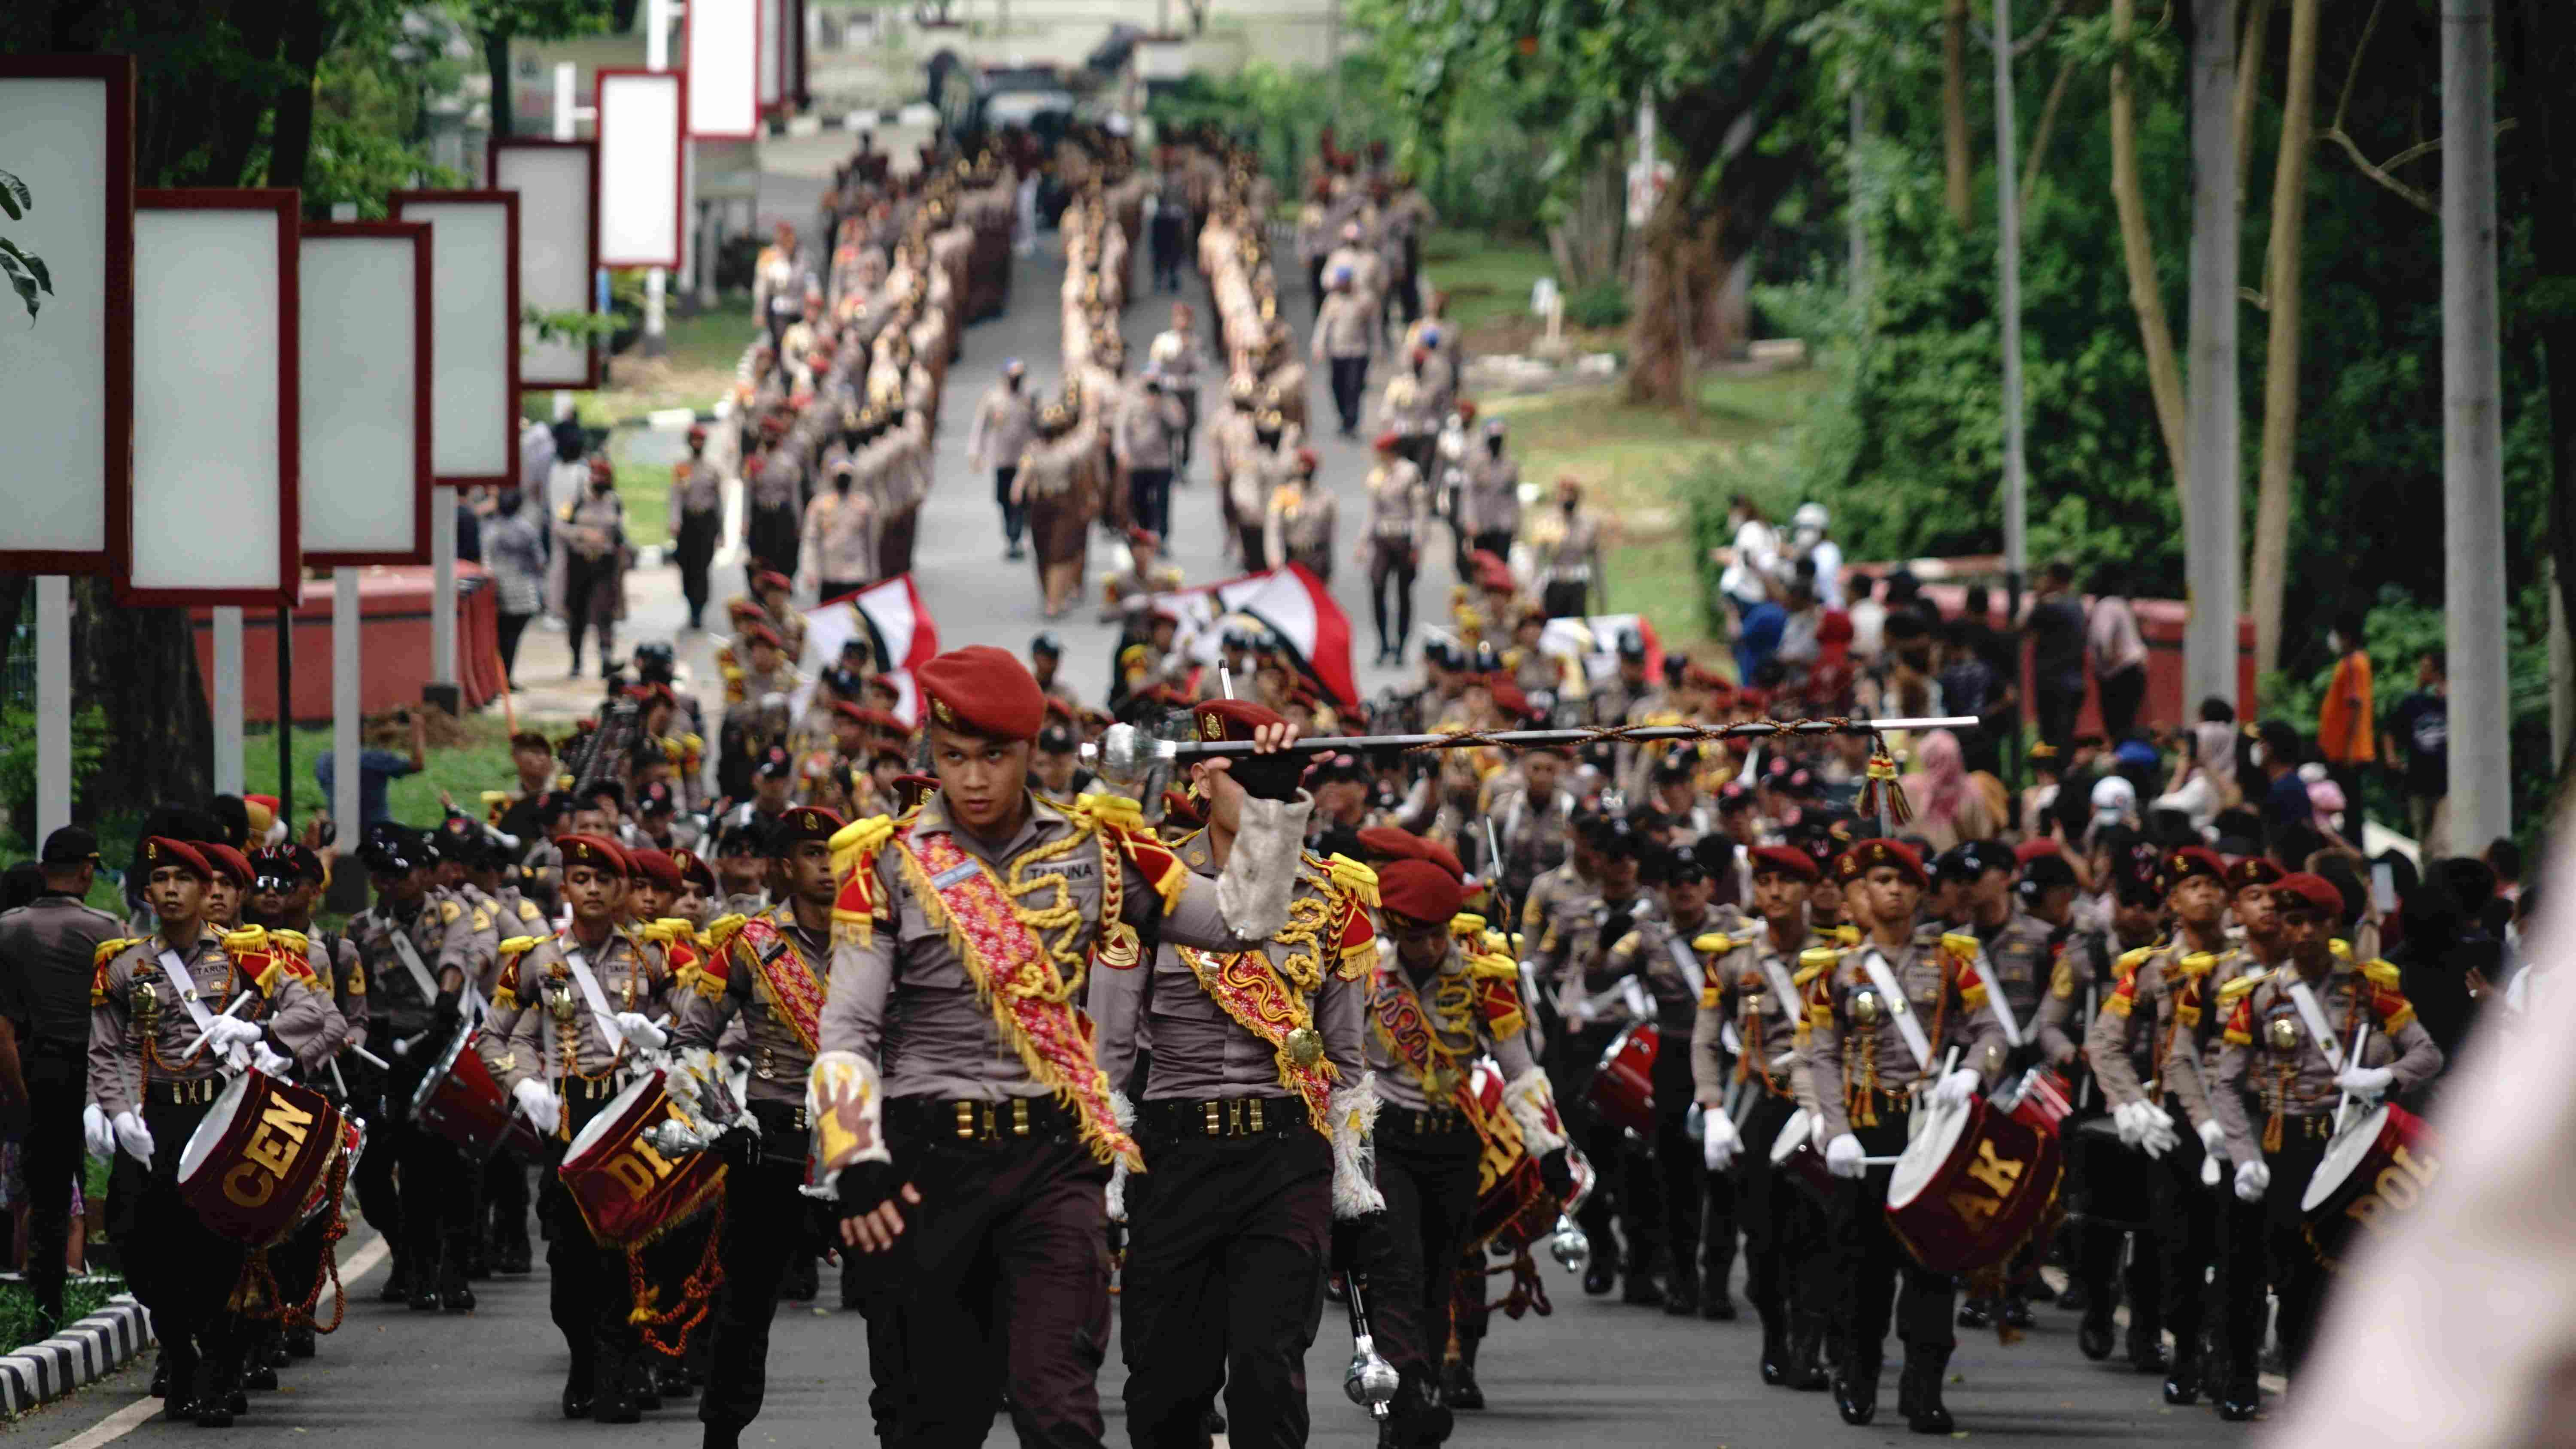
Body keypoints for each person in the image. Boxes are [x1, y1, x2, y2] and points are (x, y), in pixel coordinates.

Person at [807, 645, 1314, 1447]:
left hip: (1050, 1163)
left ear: (1033, 750)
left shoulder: (1103, 847)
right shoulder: (885, 864)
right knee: (934, 1420)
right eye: (954, 759)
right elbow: (850, 1026)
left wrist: (1272, 810)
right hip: (925, 1162)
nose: (973, 781)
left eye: (995, 757)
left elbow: (1242, 925)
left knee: (1058, 1408)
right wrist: (853, 1155)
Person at [1089, 699, 1385, 1449]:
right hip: (1174, 1150)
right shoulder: (1146, 882)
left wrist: (1354, 1188)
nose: (1254, 789)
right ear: (1197, 777)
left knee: (1267, 1371)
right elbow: (1111, 1049)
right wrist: (1098, 1173)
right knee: (1165, 1383)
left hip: (1284, 1153)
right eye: (1238, 774)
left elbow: (1348, 1065)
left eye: (1268, 776)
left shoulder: (1334, 897)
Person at [90, 837, 336, 1424]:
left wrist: (264, 1037)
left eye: (184, 879)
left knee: (221, 1248)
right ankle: (177, 1349)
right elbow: (110, 1050)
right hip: (153, 1119)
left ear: (208, 892)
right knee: (139, 1242)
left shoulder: (249, 956)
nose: (171, 890)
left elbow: (317, 1015)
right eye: (161, 880)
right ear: (147, 893)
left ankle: (219, 1370)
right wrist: (119, 1112)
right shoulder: (124, 965)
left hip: (223, 1116)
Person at [1358, 845, 1567, 1448]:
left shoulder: (1485, 976)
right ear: (1396, 930)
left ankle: (1411, 1393)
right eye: (1414, 937)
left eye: (1437, 935)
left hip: (1455, 1142)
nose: (1427, 949)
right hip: (1389, 1140)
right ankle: (1413, 1382)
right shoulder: (1363, 973)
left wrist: (1548, 1146)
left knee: (1437, 1274)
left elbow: (1519, 1066)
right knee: (1397, 1267)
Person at [2209, 873, 2441, 1393]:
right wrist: (2244, 1156)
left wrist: (2385, 1077)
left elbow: (2427, 1052)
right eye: (2295, 921)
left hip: (2350, 1146)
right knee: (2291, 1279)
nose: (2307, 932)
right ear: (2283, 928)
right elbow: (2224, 1083)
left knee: (2355, 1277)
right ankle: (2303, 1389)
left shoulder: (2370, 986)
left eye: (2317, 921)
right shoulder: (2261, 997)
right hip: (2286, 1146)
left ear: (2336, 925)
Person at [1804, 839, 2006, 1433]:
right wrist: (1834, 1131)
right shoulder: (1833, 970)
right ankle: (1859, 1375)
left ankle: (1924, 1389)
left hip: (1930, 1126)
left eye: (1903, 881)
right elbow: (1819, 1055)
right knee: (1862, 1266)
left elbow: (1991, 1027)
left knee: (1933, 1262)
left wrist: (1972, 1070)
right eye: (1881, 880)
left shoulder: (1951, 961)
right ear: (1861, 893)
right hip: (1867, 1129)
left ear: (1920, 893)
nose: (1892, 890)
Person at [478, 834, 673, 1423]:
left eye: (603, 881)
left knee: (629, 1250)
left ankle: (618, 1369)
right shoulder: (536, 959)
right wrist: (524, 1085)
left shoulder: (652, 958)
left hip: (631, 1118)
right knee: (568, 1256)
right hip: (565, 1117)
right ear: (565, 888)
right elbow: (495, 1037)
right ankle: (584, 1358)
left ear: (622, 891)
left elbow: (694, 1028)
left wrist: (660, 1040)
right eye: (580, 880)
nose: (591, 890)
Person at [1694, 846, 1833, 1385]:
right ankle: (1776, 1334)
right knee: (1765, 1236)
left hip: (1822, 1106)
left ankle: (1809, 1345)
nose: (1775, 892)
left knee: (1819, 1233)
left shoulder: (1838, 954)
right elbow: (1707, 1041)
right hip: (1763, 1104)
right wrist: (1712, 1110)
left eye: (1788, 883)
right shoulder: (1732, 958)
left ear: (1808, 891)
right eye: (1766, 882)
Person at [346, 825, 487, 1313]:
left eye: (398, 873)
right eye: (378, 875)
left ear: (424, 874)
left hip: (444, 1041)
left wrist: (448, 998)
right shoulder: (362, 928)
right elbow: (356, 990)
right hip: (390, 1052)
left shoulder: (452, 912)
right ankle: (413, 1259)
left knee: (457, 1163)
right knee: (399, 1163)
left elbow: (457, 954)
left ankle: (456, 1270)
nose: (387, 883)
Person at [0, 827, 112, 1335]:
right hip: (99, 1074)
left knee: (44, 1197)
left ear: (44, 869)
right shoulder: (108, 929)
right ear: (87, 871)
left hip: (31, 1070)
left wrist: (20, 1094)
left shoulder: (9, 929)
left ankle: (47, 1309)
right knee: (121, 1180)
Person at [1358, 432, 1432, 667]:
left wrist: (1418, 544)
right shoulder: (1377, 476)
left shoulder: (1410, 473)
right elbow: (1372, 512)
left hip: (1404, 536)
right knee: (1377, 587)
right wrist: (1363, 541)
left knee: (1403, 593)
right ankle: (1382, 644)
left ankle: (1401, 645)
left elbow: (1420, 511)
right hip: (1382, 537)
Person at [556, 455, 629, 678]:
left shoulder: (615, 503)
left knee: (604, 613)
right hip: (580, 564)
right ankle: (576, 661)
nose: (598, 479)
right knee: (577, 614)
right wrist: (583, 534)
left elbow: (621, 535)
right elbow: (560, 527)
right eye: (595, 475)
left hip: (605, 565)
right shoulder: (577, 501)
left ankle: (606, 660)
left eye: (602, 476)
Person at [2382, 651, 2448, 858]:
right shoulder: (2413, 702)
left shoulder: (2455, 702)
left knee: (2443, 839)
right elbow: (2390, 730)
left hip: (2447, 785)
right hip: (2418, 783)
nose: (2421, 674)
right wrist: (2391, 756)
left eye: (2425, 670)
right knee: (2424, 840)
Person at [969, 360, 1037, 561]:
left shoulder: (1028, 400)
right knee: (1004, 500)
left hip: (1024, 459)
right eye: (1013, 377)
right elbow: (980, 426)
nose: (1017, 381)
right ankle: (1011, 537)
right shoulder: (993, 399)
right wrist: (975, 453)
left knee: (1023, 499)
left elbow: (1037, 427)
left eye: (1020, 378)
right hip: (1002, 458)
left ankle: (1018, 536)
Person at [315, 706, 427, 828]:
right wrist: (417, 728)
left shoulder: (324, 760)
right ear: (362, 731)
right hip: (375, 832)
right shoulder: (373, 759)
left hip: (339, 830)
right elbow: (418, 764)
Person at [484, 490, 547, 687]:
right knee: (512, 638)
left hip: (496, 589)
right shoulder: (526, 530)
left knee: (500, 637)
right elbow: (540, 561)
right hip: (523, 592)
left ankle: (497, 679)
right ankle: (505, 678)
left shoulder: (490, 529)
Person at [1114, 370, 1186, 540]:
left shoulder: (1170, 402)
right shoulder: (1131, 402)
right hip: (1138, 462)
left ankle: (1162, 536)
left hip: (1162, 462)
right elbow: (1121, 428)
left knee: (1162, 502)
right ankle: (1144, 533)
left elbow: (1180, 424)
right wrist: (1122, 451)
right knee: (1140, 501)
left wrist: (1161, 408)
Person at [2024, 562, 2087, 748]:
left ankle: (2053, 775)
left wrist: (2037, 596)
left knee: (2051, 742)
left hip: (2052, 686)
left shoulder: (2047, 607)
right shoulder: (2077, 606)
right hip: (2075, 684)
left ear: (2051, 579)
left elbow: (2019, 628)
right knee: (2067, 739)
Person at [2085, 565, 2149, 741]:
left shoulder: (2106, 605)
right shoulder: (2121, 605)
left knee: (2116, 728)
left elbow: (2102, 638)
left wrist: (2106, 663)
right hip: (2134, 669)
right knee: (2128, 725)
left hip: (2118, 673)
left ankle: (2122, 763)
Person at [1312, 268, 1378, 438]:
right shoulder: (1332, 301)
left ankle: (1351, 422)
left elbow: (1373, 326)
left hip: (1358, 351)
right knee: (1337, 386)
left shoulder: (1364, 301)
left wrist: (1378, 348)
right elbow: (1323, 325)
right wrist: (1318, 346)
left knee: (1354, 387)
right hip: (1337, 351)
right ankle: (1343, 417)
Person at [801, 458, 877, 602]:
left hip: (856, 573)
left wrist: (873, 574)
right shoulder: (820, 505)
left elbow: (871, 542)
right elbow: (811, 540)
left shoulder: (864, 506)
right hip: (830, 573)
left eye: (846, 477)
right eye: (840, 477)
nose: (843, 481)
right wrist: (810, 570)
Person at [1529, 478, 1604, 621]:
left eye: (1572, 493)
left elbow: (1596, 562)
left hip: (1577, 584)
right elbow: (1538, 559)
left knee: (1576, 626)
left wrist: (1600, 595)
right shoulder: (1548, 524)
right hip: (1555, 583)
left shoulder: (1588, 526)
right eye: (1564, 493)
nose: (1568, 498)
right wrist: (1533, 592)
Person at [674, 423, 725, 630]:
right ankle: (690, 601)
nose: (697, 444)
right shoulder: (681, 468)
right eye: (694, 440)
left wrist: (722, 530)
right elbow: (675, 496)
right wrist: (674, 521)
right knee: (687, 566)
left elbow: (719, 501)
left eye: (700, 440)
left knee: (703, 566)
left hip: (706, 522)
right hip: (688, 523)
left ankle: (699, 609)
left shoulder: (713, 469)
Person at [1792, 503, 1844, 608]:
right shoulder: (1801, 550)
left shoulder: (1828, 550)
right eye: (1801, 527)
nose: (1803, 532)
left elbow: (1821, 577)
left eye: (1808, 527)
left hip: (1828, 606)